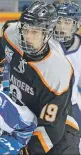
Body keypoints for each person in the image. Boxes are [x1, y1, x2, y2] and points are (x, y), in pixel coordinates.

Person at [0, 1, 80, 154]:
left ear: (47, 34)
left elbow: (51, 128)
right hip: (21, 119)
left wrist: (28, 152)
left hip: (59, 130)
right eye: (25, 29)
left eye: (35, 32)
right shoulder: (12, 33)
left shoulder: (58, 72)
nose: (27, 36)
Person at [52, 1, 81, 151]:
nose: (62, 26)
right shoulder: (44, 43)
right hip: (43, 105)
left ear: (76, 24)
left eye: (67, 22)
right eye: (59, 21)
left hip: (71, 106)